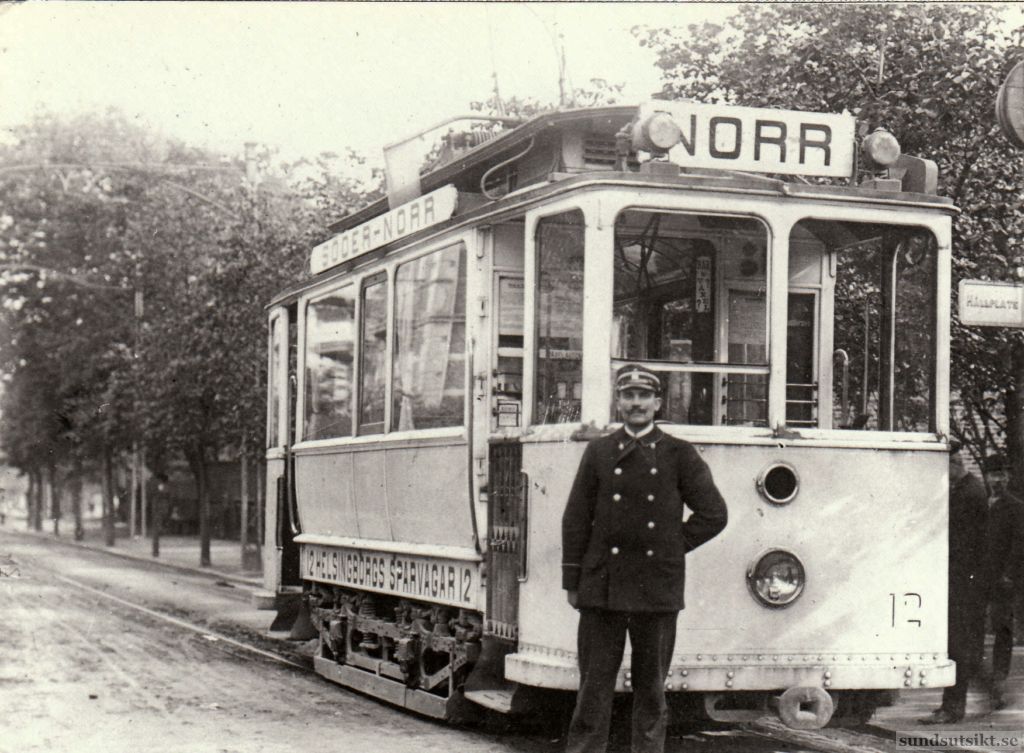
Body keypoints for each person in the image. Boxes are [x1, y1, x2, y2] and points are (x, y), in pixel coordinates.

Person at [561, 364, 728, 753]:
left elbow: (714, 514)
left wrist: (671, 547)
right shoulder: (599, 451)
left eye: (643, 396)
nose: (636, 403)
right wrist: (573, 581)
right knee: (592, 688)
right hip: (602, 586)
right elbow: (575, 519)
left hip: (656, 588)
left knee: (651, 691)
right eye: (628, 396)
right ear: (618, 402)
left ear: (657, 403)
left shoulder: (679, 453)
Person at [921, 440, 988, 724]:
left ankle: (953, 708)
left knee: (958, 645)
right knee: (961, 644)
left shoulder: (968, 493)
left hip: (963, 581)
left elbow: (961, 542)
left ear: (953, 463)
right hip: (965, 580)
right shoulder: (967, 489)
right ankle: (990, 692)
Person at [982, 452, 1024, 711]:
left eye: (1003, 474)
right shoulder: (981, 503)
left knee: (1002, 629)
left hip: (1003, 580)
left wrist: (1008, 574)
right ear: (986, 477)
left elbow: (1019, 545)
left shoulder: (1016, 507)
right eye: (994, 475)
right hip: (979, 577)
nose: (999, 480)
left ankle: (998, 682)